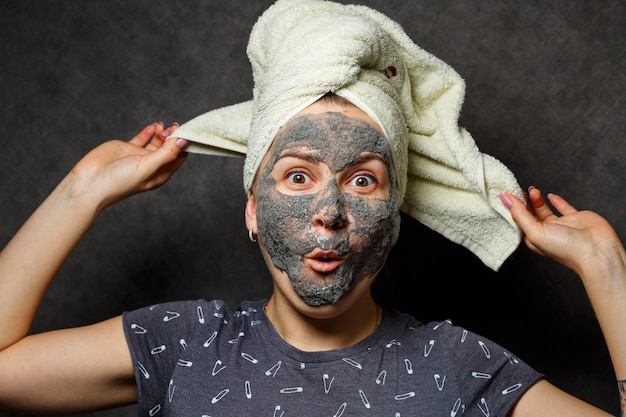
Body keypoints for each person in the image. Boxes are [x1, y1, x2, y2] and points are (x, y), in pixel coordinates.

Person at [1, 1, 625, 416]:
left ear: (395, 220)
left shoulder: (455, 368)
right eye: (298, 175)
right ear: (252, 209)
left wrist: (607, 270)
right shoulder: (186, 343)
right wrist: (82, 191)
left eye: (362, 180)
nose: (329, 211)